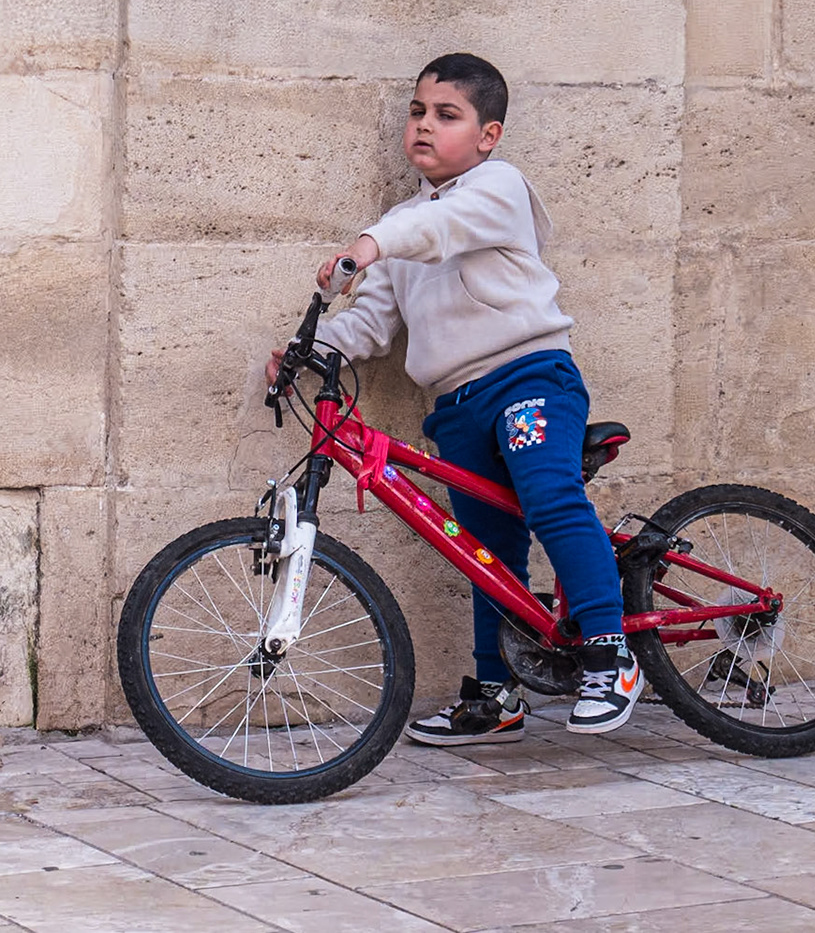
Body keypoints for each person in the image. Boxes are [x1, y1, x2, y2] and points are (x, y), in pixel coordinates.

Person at [267, 53, 639, 746]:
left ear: (488, 134)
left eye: (447, 115)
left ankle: (610, 652)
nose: (425, 126)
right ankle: (496, 692)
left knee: (549, 495)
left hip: (529, 377)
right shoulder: (401, 224)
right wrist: (312, 351)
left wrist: (369, 243)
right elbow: (372, 322)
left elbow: (441, 227)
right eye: (417, 112)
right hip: (458, 405)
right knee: (483, 550)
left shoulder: (498, 188)